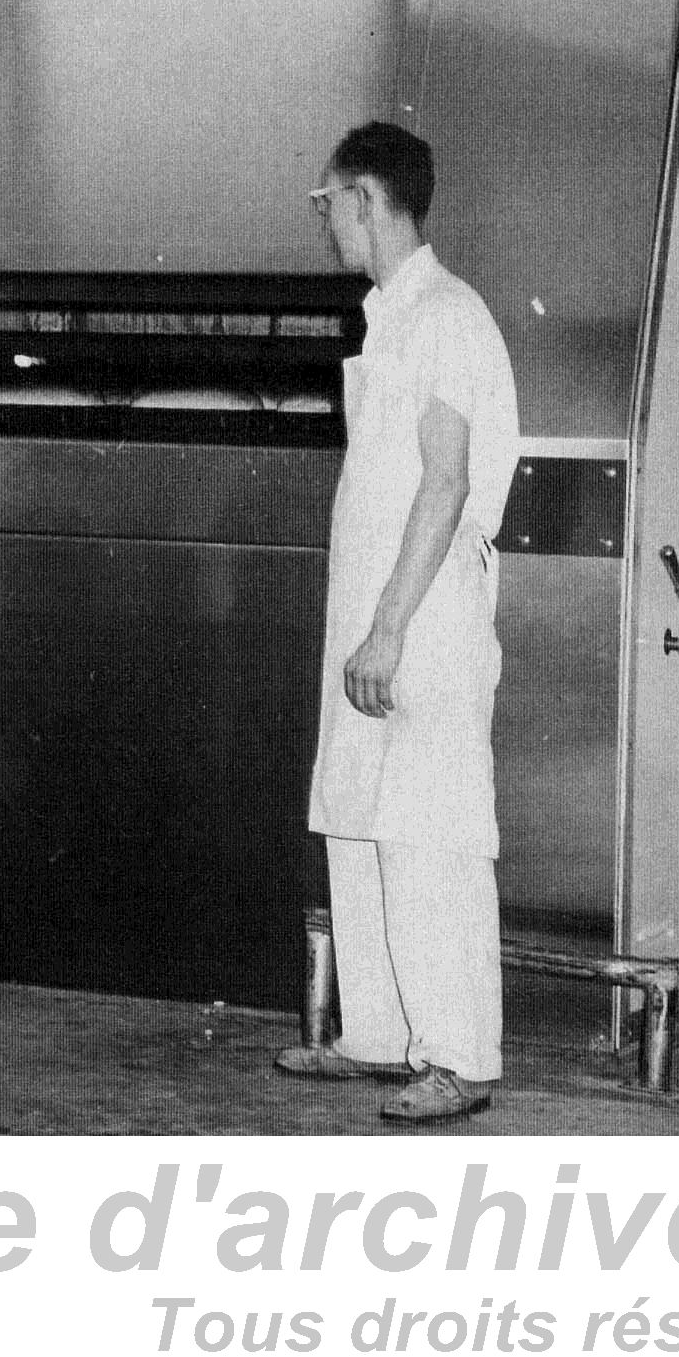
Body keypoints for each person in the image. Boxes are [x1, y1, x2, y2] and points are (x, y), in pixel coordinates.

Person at [275, 121, 519, 1125]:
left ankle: (458, 1056)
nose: (324, 217)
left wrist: (385, 630)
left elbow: (447, 482)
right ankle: (376, 1035)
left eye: (327, 199)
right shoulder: (390, 318)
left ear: (367, 198)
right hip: (376, 618)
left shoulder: (447, 317)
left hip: (418, 621)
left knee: (427, 836)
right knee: (360, 821)